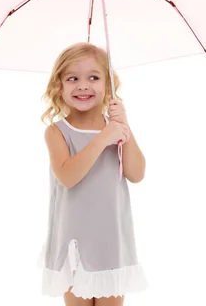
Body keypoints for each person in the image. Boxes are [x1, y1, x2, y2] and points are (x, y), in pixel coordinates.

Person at [37, 42, 149, 306]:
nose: (83, 85)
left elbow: (137, 173)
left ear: (108, 85)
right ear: (59, 85)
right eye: (72, 78)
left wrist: (124, 127)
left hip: (110, 240)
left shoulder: (117, 129)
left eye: (94, 77)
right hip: (73, 242)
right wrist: (102, 139)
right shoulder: (57, 132)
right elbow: (67, 176)